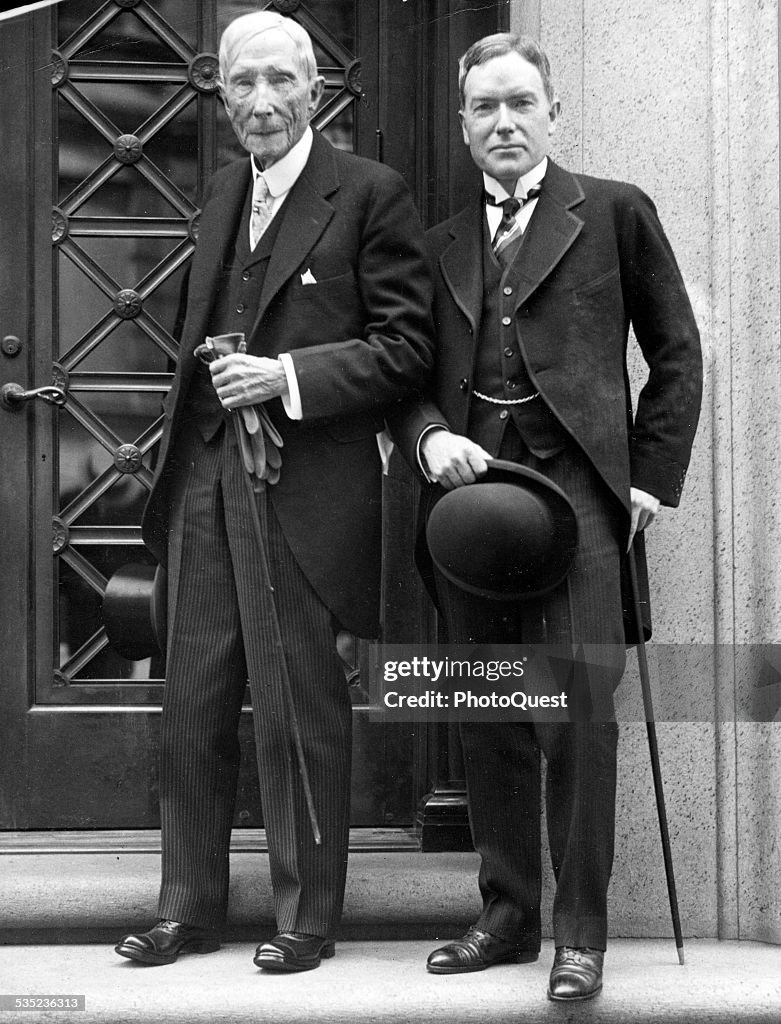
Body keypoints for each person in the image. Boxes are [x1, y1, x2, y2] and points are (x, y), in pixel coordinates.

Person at [114, 11, 432, 972]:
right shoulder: (219, 192)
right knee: (194, 701)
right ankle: (188, 908)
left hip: (302, 487)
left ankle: (306, 918)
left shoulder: (370, 193)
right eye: (241, 84)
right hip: (207, 479)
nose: (260, 103)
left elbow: (409, 349)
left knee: (297, 703)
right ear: (219, 92)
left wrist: (285, 376)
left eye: (279, 83)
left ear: (315, 89)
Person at [389, 33, 701, 1001]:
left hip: (583, 507)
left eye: (520, 103)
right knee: (486, 718)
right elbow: (402, 373)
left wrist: (648, 478)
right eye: (483, 108)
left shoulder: (612, 211)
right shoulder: (437, 244)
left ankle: (581, 936)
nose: (503, 123)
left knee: (574, 720)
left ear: (552, 111)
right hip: (469, 513)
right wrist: (429, 434)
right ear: (462, 124)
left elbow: (676, 351)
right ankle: (507, 916)